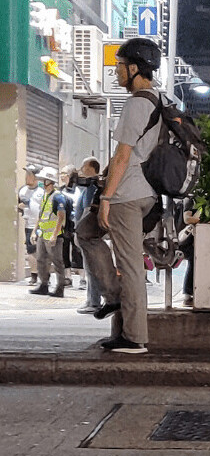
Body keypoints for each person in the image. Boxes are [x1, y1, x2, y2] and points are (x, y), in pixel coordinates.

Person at [76, 37, 163, 355]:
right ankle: (113, 296)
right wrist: (103, 180)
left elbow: (125, 156)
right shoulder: (156, 100)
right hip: (138, 191)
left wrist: (107, 199)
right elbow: (124, 154)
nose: (116, 73)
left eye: (120, 67)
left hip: (128, 196)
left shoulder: (138, 103)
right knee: (85, 232)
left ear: (136, 69)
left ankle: (135, 337)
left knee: (130, 264)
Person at [73, 157, 104, 314]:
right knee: (89, 267)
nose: (81, 169)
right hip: (85, 233)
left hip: (87, 233)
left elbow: (87, 212)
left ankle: (94, 301)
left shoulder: (92, 187)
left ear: (92, 168)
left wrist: (80, 232)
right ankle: (91, 299)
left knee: (92, 268)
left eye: (84, 166)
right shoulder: (87, 187)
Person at [29, 169, 67, 297]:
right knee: (41, 260)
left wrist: (54, 235)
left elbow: (61, 217)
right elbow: (41, 215)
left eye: (43, 181)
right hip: (43, 234)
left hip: (53, 236)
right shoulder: (45, 196)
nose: (41, 184)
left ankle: (60, 288)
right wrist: (35, 231)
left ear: (50, 182)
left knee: (57, 262)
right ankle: (43, 285)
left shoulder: (58, 197)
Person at [17, 165, 40, 284]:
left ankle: (44, 276)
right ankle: (34, 275)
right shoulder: (22, 190)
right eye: (27, 174)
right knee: (31, 250)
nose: (27, 177)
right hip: (28, 225)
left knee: (43, 252)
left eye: (30, 174)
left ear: (36, 177)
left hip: (42, 226)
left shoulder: (42, 192)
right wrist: (20, 208)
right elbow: (18, 206)